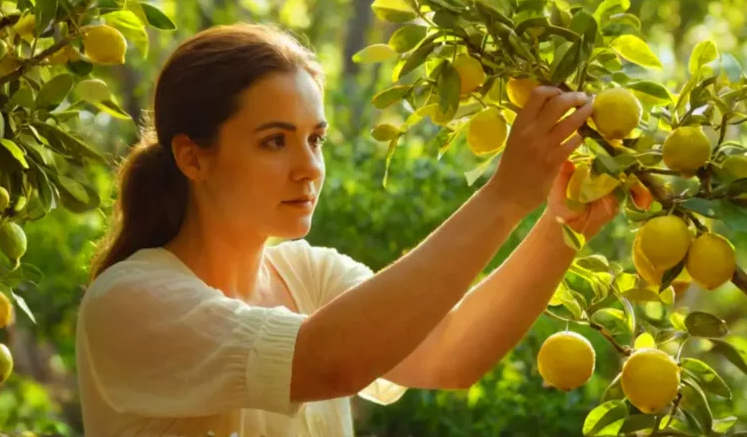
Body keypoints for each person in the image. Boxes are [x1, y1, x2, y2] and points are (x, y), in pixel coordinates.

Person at [75, 22, 619, 437]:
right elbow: (328, 364)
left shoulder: (310, 275)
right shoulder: (131, 299)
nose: (309, 167)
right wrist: (505, 196)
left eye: (315, 139)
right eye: (274, 141)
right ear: (193, 158)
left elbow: (450, 351)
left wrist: (562, 225)